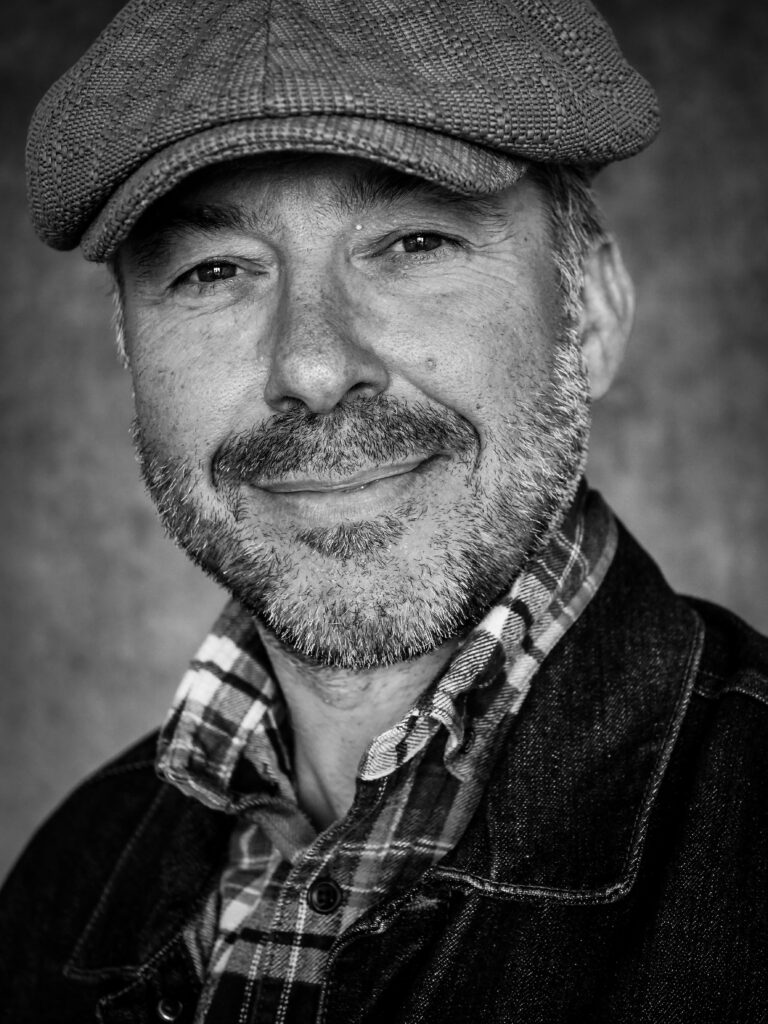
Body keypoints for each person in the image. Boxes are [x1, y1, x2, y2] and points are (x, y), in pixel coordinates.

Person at [1, 0, 766, 1020]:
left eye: (412, 241)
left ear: (590, 313)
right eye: (215, 271)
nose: (312, 366)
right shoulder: (68, 879)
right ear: (130, 354)